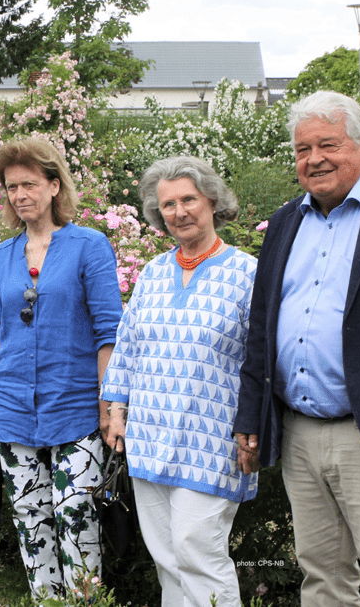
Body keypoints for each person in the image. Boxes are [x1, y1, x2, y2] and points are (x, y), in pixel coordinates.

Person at [233, 90, 360, 606]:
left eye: (327, 145)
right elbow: (261, 325)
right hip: (300, 433)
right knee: (322, 578)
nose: (314, 159)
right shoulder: (286, 220)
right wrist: (251, 416)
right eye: (301, 149)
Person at [101, 155, 258, 607]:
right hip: (149, 435)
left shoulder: (247, 273)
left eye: (188, 199)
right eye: (168, 204)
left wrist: (255, 428)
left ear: (211, 200)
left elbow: (262, 361)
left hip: (212, 440)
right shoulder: (152, 273)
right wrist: (115, 412)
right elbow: (127, 345)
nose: (179, 212)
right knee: (167, 558)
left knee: (198, 553)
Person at [0, 138, 121, 599]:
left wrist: (109, 403)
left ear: (53, 185)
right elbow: (0, 329)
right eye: (11, 187)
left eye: (29, 184)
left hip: (77, 405)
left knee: (76, 511)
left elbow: (109, 331)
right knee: (31, 522)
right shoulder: (2, 256)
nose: (19, 194)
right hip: (12, 407)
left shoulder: (89, 245)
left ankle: (85, 601)